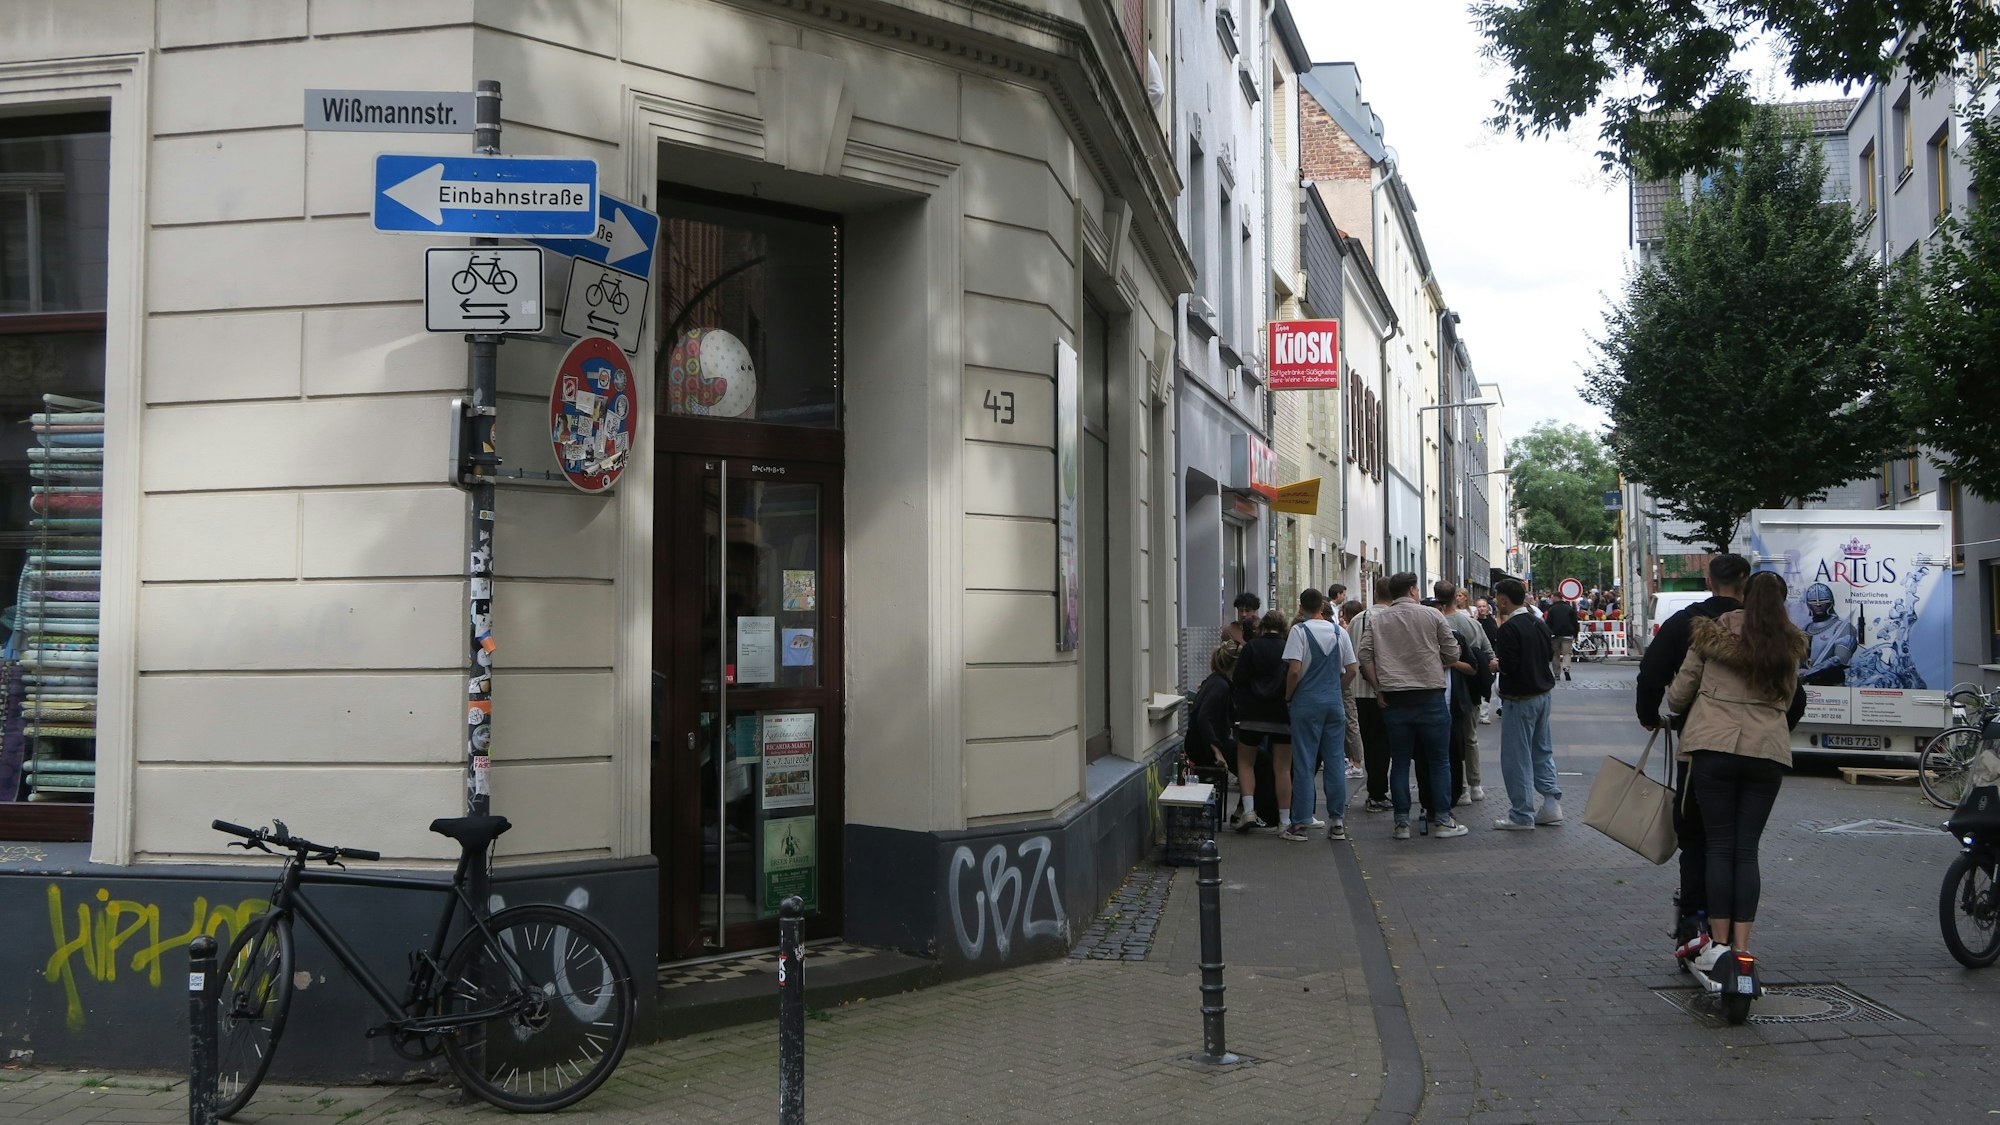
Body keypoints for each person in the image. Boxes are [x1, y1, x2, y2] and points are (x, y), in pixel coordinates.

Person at [1667, 570, 1807, 973]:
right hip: (1766, 753)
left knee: (1718, 847)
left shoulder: (1712, 635)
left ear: (1743, 597)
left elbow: (1680, 694)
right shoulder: (1790, 643)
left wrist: (1675, 708)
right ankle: (1744, 949)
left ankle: (1720, 944)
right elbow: (1790, 699)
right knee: (1746, 851)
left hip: (1714, 749)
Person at [1356, 572, 1469, 839]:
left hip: (1395, 697)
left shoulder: (1378, 619)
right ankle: (1442, 820)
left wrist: (1378, 687)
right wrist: (1432, 660)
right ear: (1412, 590)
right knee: (1439, 760)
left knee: (1401, 761)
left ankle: (1402, 823)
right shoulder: (1432, 616)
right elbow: (1453, 652)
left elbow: (1364, 655)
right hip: (1430, 695)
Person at [1281, 589, 1359, 841]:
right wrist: (1338, 688)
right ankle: (1337, 822)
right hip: (1333, 703)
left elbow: (1294, 670)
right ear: (1323, 607)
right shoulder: (1339, 632)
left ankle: (1301, 822)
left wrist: (1289, 696)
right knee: (1335, 761)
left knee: (1304, 762)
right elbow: (1352, 669)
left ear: (1301, 606)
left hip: (1306, 703)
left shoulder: (1299, 632)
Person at [1491, 578, 1562, 830]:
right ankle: (1552, 804)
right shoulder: (1538, 623)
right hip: (1543, 694)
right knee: (1542, 750)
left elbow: (1509, 666)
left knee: (1516, 757)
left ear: (1503, 599)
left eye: (1497, 597)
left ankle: (1521, 814)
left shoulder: (1509, 629)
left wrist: (1496, 665)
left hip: (1520, 699)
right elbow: (1547, 656)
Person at [1230, 610, 1294, 832]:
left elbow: (1238, 678)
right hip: (1281, 714)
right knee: (1283, 768)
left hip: (1252, 714)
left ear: (1263, 627)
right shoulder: (1289, 647)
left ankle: (1249, 810)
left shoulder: (1251, 647)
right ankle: (1285, 820)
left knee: (1246, 763)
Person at [1437, 582, 1494, 804]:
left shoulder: (1435, 622)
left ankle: (1458, 786)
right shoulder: (1471, 624)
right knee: (1470, 737)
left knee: (1449, 739)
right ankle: (1475, 784)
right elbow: (1488, 652)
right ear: (1455, 598)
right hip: (1470, 686)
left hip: (1444, 686)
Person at [1348, 584, 1394, 812]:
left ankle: (1374, 790)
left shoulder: (1357, 619)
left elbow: (1348, 653)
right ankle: (1380, 791)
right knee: (1385, 745)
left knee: (1369, 742)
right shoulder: (1393, 617)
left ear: (1375, 594)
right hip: (1387, 690)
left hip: (1360, 692)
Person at [1185, 640, 1242, 782]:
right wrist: (1216, 750)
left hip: (1202, 742)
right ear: (1236, 664)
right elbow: (1204, 718)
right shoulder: (1220, 686)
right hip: (1205, 745)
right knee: (1255, 762)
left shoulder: (1215, 681)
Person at [1798, 582, 1857, 686]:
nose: (1818, 604)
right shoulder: (1806, 629)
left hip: (1832, 684)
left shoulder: (1842, 627)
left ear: (1830, 602)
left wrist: (1810, 672)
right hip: (1808, 685)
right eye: (1813, 601)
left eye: (1822, 600)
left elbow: (1839, 659)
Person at [1474, 598, 1502, 724]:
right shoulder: (1474, 622)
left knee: (1488, 684)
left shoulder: (1491, 621)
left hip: (1490, 656)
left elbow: (1495, 638)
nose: (1481, 609)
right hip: (1477, 656)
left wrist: (1495, 656)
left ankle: (1484, 714)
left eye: (1484, 606)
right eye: (1479, 606)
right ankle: (1478, 712)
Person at [1546, 594, 1580, 681]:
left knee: (1555, 655)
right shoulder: (1569, 608)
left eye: (1553, 597)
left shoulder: (1552, 609)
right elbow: (1575, 623)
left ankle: (1557, 674)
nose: (1551, 599)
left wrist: (1549, 633)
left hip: (1555, 635)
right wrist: (1575, 635)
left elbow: (1548, 623)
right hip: (1567, 635)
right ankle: (1566, 668)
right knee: (1567, 654)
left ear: (1557, 597)